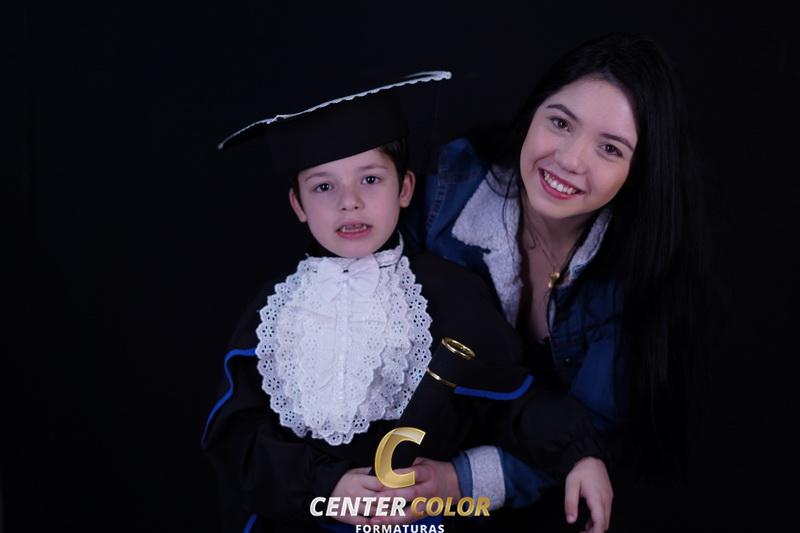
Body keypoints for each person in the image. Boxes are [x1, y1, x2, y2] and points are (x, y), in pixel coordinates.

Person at [201, 72, 612, 533]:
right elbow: (238, 437)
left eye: (370, 179)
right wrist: (327, 487)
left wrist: (580, 453)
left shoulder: (449, 292)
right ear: (298, 205)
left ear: (405, 189)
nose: (350, 203)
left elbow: (513, 401)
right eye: (323, 187)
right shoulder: (273, 311)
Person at [389, 33, 704, 531]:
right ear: (533, 113)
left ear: (638, 170)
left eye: (609, 148)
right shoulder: (450, 185)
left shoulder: (636, 274)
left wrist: (460, 482)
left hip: (543, 489)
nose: (571, 160)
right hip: (405, 445)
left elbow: (596, 429)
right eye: (560, 123)